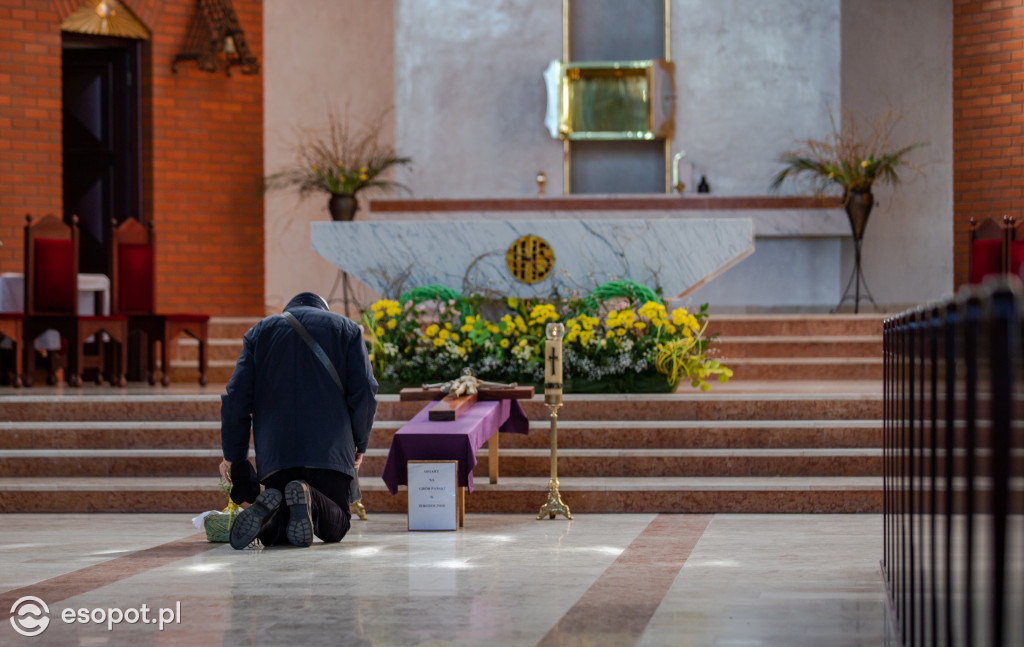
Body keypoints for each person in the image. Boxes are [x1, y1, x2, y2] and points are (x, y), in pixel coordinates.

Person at [219, 292, 378, 549]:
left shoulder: (261, 332)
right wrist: (360, 444)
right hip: (331, 454)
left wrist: (234, 456)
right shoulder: (347, 329)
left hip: (277, 455)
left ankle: (270, 506)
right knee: (337, 524)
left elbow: (236, 397)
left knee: (275, 536)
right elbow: (365, 393)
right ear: (323, 307)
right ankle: (310, 498)